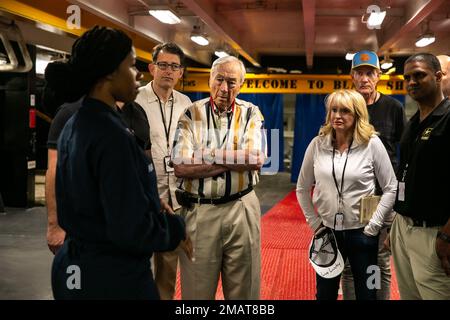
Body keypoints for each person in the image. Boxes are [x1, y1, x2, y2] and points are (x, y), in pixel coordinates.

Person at [48, 25, 187, 299]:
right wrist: (176, 229)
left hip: (75, 267)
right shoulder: (111, 135)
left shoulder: (78, 122)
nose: (137, 75)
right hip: (112, 275)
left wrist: (148, 199)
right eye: (132, 65)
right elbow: (131, 228)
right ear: (111, 71)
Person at [172, 55, 266, 300]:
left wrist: (207, 154)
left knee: (245, 291)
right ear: (209, 80)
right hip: (200, 213)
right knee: (196, 293)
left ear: (242, 84)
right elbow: (181, 166)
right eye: (219, 80)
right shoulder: (190, 114)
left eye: (232, 82)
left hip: (242, 208)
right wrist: (235, 160)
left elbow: (255, 159)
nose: (225, 88)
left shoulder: (251, 113)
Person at [296, 89, 397, 300]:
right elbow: (302, 188)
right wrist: (315, 223)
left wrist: (374, 226)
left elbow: (391, 187)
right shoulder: (317, 144)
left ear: (358, 114)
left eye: (345, 111)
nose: (337, 116)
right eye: (333, 110)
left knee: (368, 292)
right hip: (327, 233)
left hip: (364, 234)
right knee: (324, 294)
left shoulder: (372, 144)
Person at [341, 50, 406, 300]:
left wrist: (400, 197)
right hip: (353, 198)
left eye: (370, 73)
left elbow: (407, 152)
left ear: (379, 76)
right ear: (352, 76)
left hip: (384, 198)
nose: (364, 78)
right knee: (350, 262)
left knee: (380, 261)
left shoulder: (393, 108)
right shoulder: (345, 108)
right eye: (360, 73)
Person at [391, 53, 450, 300]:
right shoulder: (413, 122)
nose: (412, 82)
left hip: (434, 233)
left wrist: (447, 234)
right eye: (407, 77)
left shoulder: (447, 119)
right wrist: (397, 226)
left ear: (438, 77)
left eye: (419, 75)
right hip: (404, 228)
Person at [135, 43, 192, 300]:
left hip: (175, 196)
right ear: (151, 68)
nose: (168, 71)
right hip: (142, 196)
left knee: (168, 269)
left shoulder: (186, 103)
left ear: (181, 72)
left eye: (175, 66)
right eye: (163, 65)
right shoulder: (134, 100)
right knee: (135, 264)